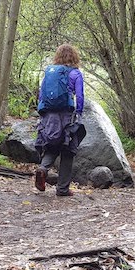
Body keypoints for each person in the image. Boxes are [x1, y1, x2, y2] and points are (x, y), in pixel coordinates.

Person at [34, 44, 87, 197]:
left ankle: (43, 169)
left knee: (52, 145)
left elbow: (42, 94)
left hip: (49, 115)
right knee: (68, 149)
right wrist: (79, 112)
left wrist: (42, 114)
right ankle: (62, 189)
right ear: (74, 57)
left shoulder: (50, 73)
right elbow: (80, 95)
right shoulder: (75, 73)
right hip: (67, 115)